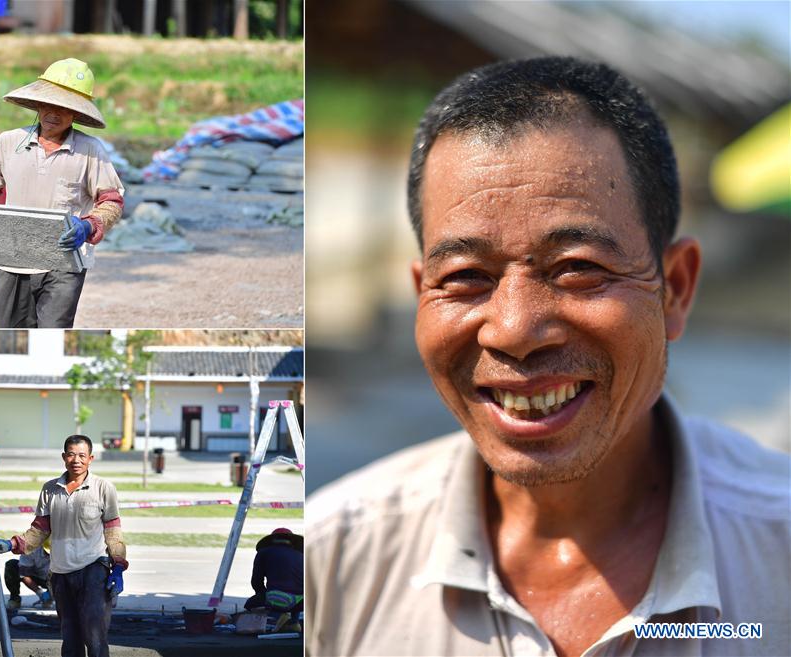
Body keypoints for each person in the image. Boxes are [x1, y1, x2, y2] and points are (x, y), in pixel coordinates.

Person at [305, 57, 791, 657]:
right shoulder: (327, 566)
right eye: (465, 277)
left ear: (676, 289)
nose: (513, 330)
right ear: (419, 298)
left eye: (578, 268)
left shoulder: (777, 561)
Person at [0, 58, 125, 329]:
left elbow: (111, 202)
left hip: (63, 262)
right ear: (38, 104)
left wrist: (88, 226)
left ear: (76, 113)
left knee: (54, 335)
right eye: (48, 104)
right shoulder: (8, 142)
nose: (53, 112)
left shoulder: (90, 150)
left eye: (64, 108)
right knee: (3, 333)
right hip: (10, 257)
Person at [0, 435, 128, 657]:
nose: (76, 460)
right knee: (70, 637)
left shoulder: (104, 488)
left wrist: (119, 566)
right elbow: (39, 530)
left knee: (94, 634)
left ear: (90, 459)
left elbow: (113, 531)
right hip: (60, 574)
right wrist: (12, 543)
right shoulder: (50, 489)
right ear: (64, 457)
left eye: (82, 455)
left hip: (94, 568)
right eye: (72, 454)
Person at [245, 528, 303, 632]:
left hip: (277, 598)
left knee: (250, 603)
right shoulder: (300, 555)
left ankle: (277, 618)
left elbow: (256, 581)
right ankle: (294, 622)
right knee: (296, 591)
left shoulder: (263, 553)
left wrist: (262, 594)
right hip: (300, 602)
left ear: (272, 540)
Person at [4, 539, 52, 610]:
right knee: (12, 565)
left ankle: (52, 598)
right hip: (34, 576)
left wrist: (52, 594)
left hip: (52, 579)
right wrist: (40, 593)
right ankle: (14, 598)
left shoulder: (63, 553)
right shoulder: (31, 549)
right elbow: (24, 575)